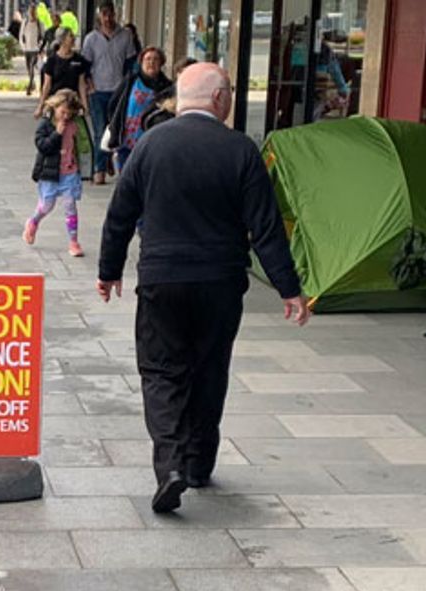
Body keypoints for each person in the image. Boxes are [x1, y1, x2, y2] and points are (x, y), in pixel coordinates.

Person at [97, 63, 312, 514]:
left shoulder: (150, 144)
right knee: (209, 368)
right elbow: (266, 229)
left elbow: (120, 214)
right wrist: (288, 288)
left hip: (162, 279)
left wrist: (109, 270)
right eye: (231, 91)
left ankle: (170, 466)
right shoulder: (241, 150)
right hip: (220, 281)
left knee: (161, 372)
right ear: (219, 99)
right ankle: (197, 464)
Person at [25, 88, 87, 257]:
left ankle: (74, 242)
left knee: (70, 207)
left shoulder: (74, 125)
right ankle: (33, 221)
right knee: (47, 206)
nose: (65, 116)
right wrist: (57, 133)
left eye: (70, 113)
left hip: (69, 173)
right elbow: (42, 146)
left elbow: (82, 145)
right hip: (50, 174)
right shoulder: (45, 125)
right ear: (54, 107)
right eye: (63, 112)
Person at [81, 2, 138, 181]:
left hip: (118, 90)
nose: (107, 19)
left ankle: (111, 162)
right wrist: (88, 84)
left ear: (115, 14)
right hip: (98, 90)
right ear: (99, 16)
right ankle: (99, 169)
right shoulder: (91, 38)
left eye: (110, 15)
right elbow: (85, 65)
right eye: (103, 15)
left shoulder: (126, 36)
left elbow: (131, 63)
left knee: (117, 129)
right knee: (99, 130)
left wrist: (128, 85)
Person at [104, 45, 170, 168]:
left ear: (161, 63)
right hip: (127, 139)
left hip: (151, 141)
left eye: (156, 59)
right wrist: (114, 126)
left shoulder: (167, 87)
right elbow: (114, 104)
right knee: (126, 176)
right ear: (141, 62)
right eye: (148, 59)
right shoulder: (131, 80)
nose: (151, 62)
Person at [38, 27, 90, 115]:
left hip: (73, 102)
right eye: (70, 36)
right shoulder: (52, 60)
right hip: (56, 102)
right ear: (62, 40)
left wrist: (85, 106)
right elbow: (47, 85)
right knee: (44, 128)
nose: (73, 38)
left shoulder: (79, 60)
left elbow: (81, 84)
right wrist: (40, 107)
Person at [20, 3, 45, 94]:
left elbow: (42, 36)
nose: (32, 13)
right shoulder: (25, 22)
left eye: (33, 11)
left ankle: (29, 88)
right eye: (31, 11)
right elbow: (21, 35)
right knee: (28, 69)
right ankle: (32, 83)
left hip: (35, 50)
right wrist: (23, 46)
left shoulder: (39, 23)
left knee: (31, 67)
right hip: (27, 49)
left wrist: (40, 47)